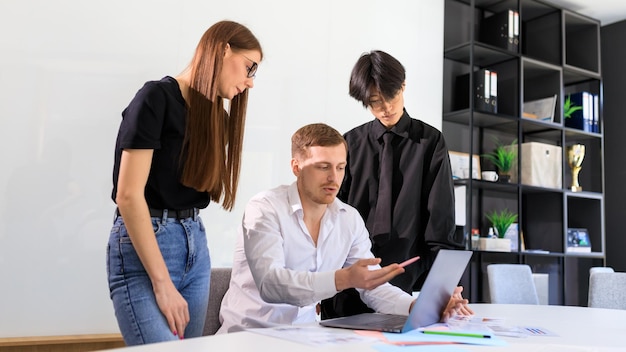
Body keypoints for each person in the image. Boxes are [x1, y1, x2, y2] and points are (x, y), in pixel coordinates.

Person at [217, 123, 471, 333]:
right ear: (296, 167)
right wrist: (344, 278)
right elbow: (272, 284)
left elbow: (373, 287)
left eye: (340, 167)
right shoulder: (264, 208)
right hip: (250, 335)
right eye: (323, 167)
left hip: (304, 336)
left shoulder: (348, 219)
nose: (334, 178)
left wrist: (416, 306)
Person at [106, 20, 263, 345]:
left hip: (194, 245)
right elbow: (128, 195)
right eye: (249, 68)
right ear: (223, 49)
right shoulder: (155, 97)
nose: (249, 82)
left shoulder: (215, 116)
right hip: (143, 246)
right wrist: (161, 283)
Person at [322, 50, 463, 317]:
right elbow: (331, 216)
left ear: (403, 86)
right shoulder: (349, 144)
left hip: (405, 275)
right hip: (349, 276)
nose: (385, 108)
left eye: (391, 97)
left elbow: (440, 222)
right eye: (375, 102)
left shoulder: (430, 142)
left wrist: (445, 284)